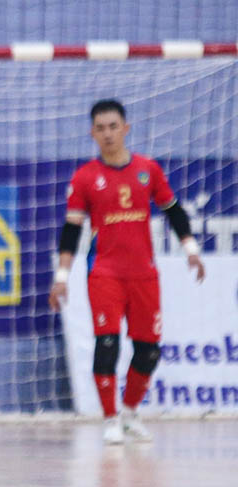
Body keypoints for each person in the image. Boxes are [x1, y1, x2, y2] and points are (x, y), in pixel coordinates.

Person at [49, 99, 205, 444]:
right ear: (92, 133)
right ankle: (110, 418)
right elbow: (71, 231)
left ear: (126, 128)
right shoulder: (86, 177)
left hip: (144, 275)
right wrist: (61, 278)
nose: (107, 134)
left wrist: (191, 250)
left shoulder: (148, 169)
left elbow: (174, 211)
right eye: (100, 128)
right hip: (104, 274)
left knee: (149, 349)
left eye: (113, 126)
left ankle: (131, 413)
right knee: (107, 344)